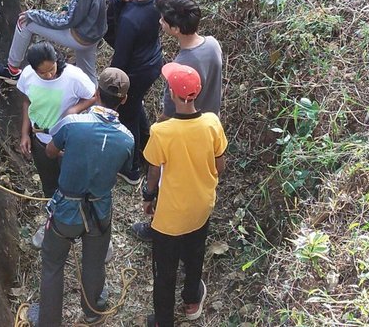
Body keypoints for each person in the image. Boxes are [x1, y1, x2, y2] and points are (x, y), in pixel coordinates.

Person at [30, 67, 135, 327]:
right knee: (94, 263)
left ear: (96, 93)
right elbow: (120, 166)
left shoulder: (72, 124)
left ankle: (48, 321)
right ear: (124, 99)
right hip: (99, 210)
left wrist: (70, 155)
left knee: (53, 263)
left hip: (67, 208)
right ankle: (92, 311)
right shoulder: (127, 139)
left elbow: (51, 152)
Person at [140, 62, 228, 327]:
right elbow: (220, 165)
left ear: (172, 94)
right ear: (197, 93)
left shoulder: (161, 132)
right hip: (201, 206)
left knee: (165, 271)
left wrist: (148, 196)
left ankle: (163, 320)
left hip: (170, 215)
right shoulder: (212, 123)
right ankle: (191, 300)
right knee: (194, 253)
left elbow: (154, 172)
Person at [12, 41, 98, 249]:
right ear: (34, 69)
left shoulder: (73, 77)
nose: (49, 75)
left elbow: (93, 96)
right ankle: (52, 222)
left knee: (76, 186)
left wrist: (74, 110)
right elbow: (27, 102)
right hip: (41, 140)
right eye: (43, 73)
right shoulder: (28, 75)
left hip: (67, 145)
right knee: (49, 185)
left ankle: (90, 229)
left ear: (57, 60)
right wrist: (25, 133)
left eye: (52, 69)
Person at [108, 0, 163, 186]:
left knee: (127, 114)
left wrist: (113, 82)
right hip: (153, 62)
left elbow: (121, 57)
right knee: (135, 104)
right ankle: (147, 143)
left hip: (135, 72)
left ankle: (131, 169)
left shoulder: (130, 18)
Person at [159, 0, 222, 119]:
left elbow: (168, 114)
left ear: (176, 29)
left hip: (186, 125)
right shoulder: (213, 44)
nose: (160, 21)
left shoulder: (179, 68)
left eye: (163, 20)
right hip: (211, 121)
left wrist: (156, 126)